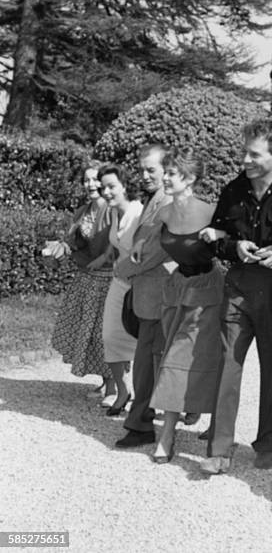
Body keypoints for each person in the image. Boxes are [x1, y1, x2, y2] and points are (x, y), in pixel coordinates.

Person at [199, 118, 272, 474]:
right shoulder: (233, 190)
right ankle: (219, 447)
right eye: (244, 153)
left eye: (254, 154)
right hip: (236, 289)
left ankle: (266, 444)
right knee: (227, 366)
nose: (245, 160)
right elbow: (215, 237)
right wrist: (235, 245)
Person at [147, 146, 223, 463]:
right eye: (164, 172)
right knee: (175, 355)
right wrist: (138, 248)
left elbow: (233, 244)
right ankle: (205, 415)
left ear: (189, 179)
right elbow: (148, 238)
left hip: (206, 291)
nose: (164, 178)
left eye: (171, 173)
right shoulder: (163, 212)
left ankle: (167, 435)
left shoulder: (209, 211)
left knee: (178, 359)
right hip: (176, 289)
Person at [114, 144, 174, 449]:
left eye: (152, 169)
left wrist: (122, 268)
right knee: (148, 363)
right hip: (149, 296)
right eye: (142, 169)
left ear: (167, 169)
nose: (145, 175)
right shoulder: (156, 200)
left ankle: (140, 425)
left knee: (147, 366)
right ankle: (144, 420)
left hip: (158, 296)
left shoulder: (167, 203)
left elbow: (154, 250)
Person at [49, 161, 115, 398]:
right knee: (87, 332)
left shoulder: (113, 209)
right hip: (86, 278)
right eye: (86, 180)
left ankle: (115, 387)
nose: (91, 184)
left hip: (108, 279)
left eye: (95, 179)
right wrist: (61, 247)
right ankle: (105, 381)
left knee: (104, 334)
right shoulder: (83, 211)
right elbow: (74, 242)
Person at [99, 164, 143, 417]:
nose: (106, 191)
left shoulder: (138, 213)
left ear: (125, 185)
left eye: (111, 186)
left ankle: (150, 398)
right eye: (103, 186)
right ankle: (122, 390)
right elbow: (117, 245)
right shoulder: (115, 212)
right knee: (110, 336)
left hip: (141, 284)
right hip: (120, 283)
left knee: (145, 343)